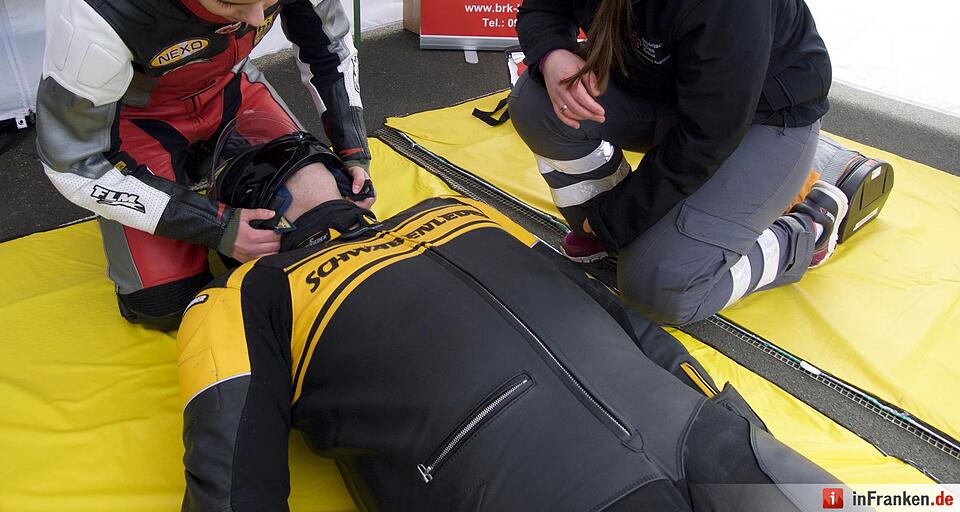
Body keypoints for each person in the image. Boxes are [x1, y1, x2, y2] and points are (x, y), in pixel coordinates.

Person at [177, 124, 847, 511]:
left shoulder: (455, 208)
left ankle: (822, 205)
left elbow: (609, 313)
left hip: (695, 436)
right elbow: (235, 473)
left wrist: (716, 417)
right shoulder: (248, 293)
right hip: (538, 485)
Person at [508, 0, 894, 326]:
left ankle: (808, 225)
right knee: (535, 100)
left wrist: (616, 220)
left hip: (759, 119)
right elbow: (541, 7)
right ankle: (628, 230)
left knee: (660, 289)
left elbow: (707, 133)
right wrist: (552, 55)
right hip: (676, 94)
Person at [35, 0, 374, 331]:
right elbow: (72, 161)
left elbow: (329, 49)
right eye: (230, 2)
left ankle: (213, 179)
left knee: (332, 211)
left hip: (228, 90)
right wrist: (214, 225)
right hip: (134, 119)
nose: (257, 19)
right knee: (167, 305)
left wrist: (353, 147)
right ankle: (190, 190)